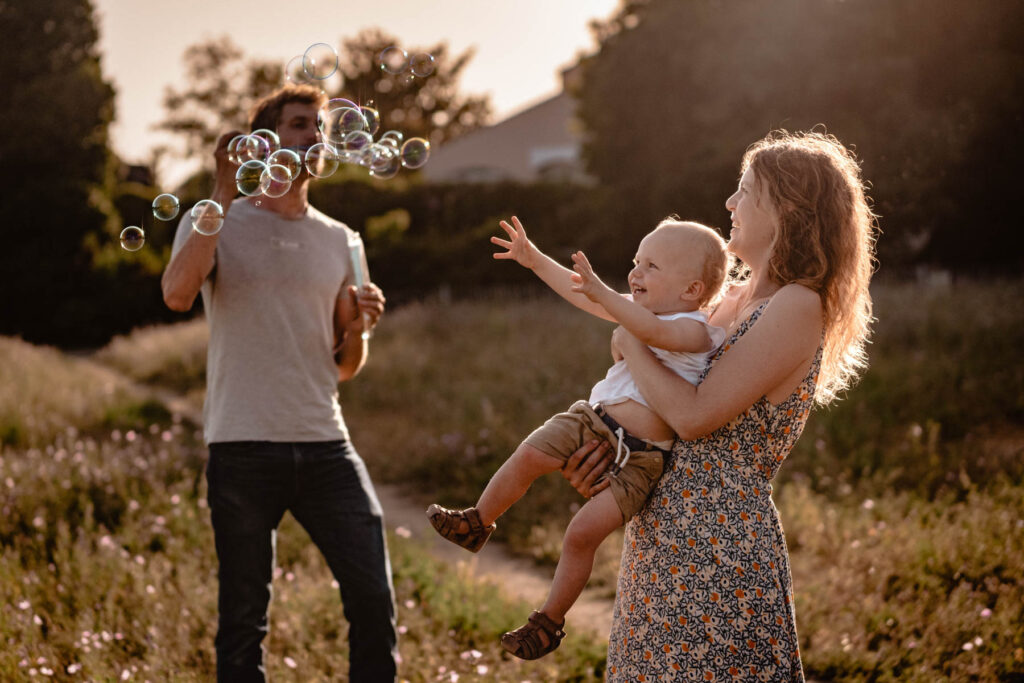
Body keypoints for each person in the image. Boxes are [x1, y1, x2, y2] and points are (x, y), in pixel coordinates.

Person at [559, 130, 877, 681]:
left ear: (786, 209)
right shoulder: (728, 298)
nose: (729, 203)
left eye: (745, 191)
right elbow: (660, 398)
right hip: (660, 533)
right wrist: (614, 456)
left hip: (718, 547)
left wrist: (631, 345)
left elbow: (694, 415)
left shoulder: (795, 304)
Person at [161, 84, 398, 682]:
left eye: (318, 127)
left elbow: (342, 366)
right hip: (241, 445)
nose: (312, 136)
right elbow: (177, 294)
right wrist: (221, 187)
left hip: (325, 444)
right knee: (244, 618)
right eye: (298, 124)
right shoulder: (214, 218)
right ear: (264, 138)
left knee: (373, 598)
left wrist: (361, 328)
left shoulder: (342, 239)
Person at [426, 217, 729, 660]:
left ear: (692, 291)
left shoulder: (695, 330)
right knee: (527, 455)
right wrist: (534, 261)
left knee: (580, 534)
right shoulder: (637, 312)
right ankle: (477, 522)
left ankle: (548, 623)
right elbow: (579, 292)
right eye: (636, 261)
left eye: (652, 266)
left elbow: (653, 333)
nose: (635, 273)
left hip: (642, 459)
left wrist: (604, 294)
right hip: (592, 419)